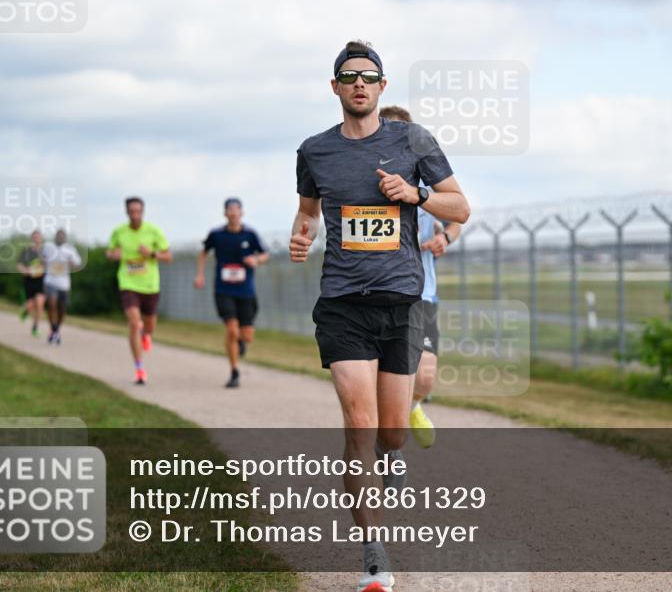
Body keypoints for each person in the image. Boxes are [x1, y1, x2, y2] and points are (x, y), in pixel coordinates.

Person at [291, 41, 469, 592]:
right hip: (343, 305)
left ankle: (394, 457)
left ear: (383, 86)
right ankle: (373, 555)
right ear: (336, 87)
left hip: (402, 306)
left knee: (392, 431)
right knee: (360, 426)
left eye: (369, 76)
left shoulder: (414, 142)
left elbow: (459, 207)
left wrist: (414, 195)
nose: (359, 84)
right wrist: (301, 237)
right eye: (349, 77)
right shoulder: (314, 151)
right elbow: (307, 213)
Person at [378, 105, 463, 449]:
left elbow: (458, 216)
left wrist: (444, 238)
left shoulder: (428, 182)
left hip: (422, 294)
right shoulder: (367, 182)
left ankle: (413, 406)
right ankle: (389, 446)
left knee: (424, 377)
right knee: (384, 382)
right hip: (378, 295)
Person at [194, 198, 269, 388]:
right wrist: (200, 275)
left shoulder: (250, 234)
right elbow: (203, 252)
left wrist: (256, 260)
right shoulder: (217, 234)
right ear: (225, 213)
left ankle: (240, 343)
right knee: (231, 329)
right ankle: (234, 372)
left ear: (242, 213)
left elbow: (264, 253)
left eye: (237, 210)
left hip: (246, 291)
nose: (234, 213)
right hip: (223, 289)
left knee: (247, 336)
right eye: (230, 210)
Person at [105, 197, 172, 385]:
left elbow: (168, 256)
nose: (135, 215)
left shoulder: (153, 231)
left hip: (150, 285)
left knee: (149, 325)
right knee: (135, 324)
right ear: (126, 212)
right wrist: (113, 255)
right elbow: (109, 252)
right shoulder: (119, 232)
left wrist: (151, 253)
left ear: (143, 211)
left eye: (138, 211)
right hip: (128, 283)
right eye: (131, 211)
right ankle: (139, 368)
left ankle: (147, 335)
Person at [42, 229, 83, 345]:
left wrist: (72, 263)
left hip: (64, 284)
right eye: (58, 235)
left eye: (62, 236)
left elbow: (78, 264)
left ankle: (56, 329)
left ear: (65, 238)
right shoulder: (48, 246)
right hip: (50, 281)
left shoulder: (70, 249)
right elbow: (42, 258)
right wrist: (43, 263)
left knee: (62, 309)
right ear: (55, 236)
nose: (60, 237)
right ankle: (53, 328)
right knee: (52, 304)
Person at [16, 229, 46, 336]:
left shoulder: (45, 251)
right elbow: (19, 265)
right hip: (29, 281)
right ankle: (25, 310)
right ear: (32, 238)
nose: (37, 239)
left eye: (39, 237)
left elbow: (50, 264)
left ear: (41, 238)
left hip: (41, 281)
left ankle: (35, 327)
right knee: (30, 304)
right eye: (35, 237)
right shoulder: (26, 252)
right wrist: (25, 271)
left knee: (40, 303)